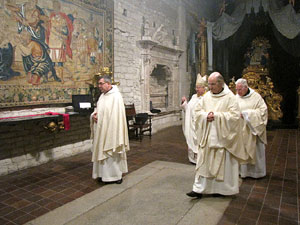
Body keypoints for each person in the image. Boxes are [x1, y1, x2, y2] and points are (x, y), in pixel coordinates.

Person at [186, 72, 248, 198]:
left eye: (213, 84)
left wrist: (217, 116)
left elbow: (235, 116)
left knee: (223, 165)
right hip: (208, 136)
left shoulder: (230, 97)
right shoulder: (206, 97)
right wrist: (205, 116)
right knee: (204, 162)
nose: (210, 87)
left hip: (223, 138)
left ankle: (223, 190)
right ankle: (199, 189)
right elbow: (197, 112)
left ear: (220, 83)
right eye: (209, 84)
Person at [90, 75, 130, 184]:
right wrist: (94, 115)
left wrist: (103, 118)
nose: (99, 86)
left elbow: (116, 116)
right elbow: (98, 110)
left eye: (101, 84)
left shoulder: (116, 96)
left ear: (108, 84)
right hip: (101, 130)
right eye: (99, 84)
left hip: (112, 130)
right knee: (101, 151)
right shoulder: (102, 96)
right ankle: (102, 175)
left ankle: (115, 176)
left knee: (112, 153)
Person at [235, 78, 267, 178]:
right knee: (242, 150)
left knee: (256, 151)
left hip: (253, 130)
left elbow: (263, 111)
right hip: (241, 129)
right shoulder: (236, 97)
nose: (238, 92)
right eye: (237, 89)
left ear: (246, 88)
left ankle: (257, 173)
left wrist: (247, 114)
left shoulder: (256, 97)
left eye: (239, 89)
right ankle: (243, 172)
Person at [181, 74, 207, 164]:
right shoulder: (193, 97)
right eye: (196, 87)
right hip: (192, 123)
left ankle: (200, 160)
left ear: (204, 88)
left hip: (200, 124)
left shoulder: (207, 98)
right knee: (191, 141)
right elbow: (188, 109)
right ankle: (192, 159)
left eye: (199, 87)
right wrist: (184, 103)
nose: (196, 89)